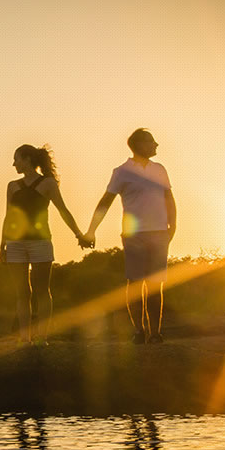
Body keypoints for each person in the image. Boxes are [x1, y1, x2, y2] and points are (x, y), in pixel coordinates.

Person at [81, 129, 177, 344]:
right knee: (134, 284)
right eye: (152, 141)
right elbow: (106, 201)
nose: (156, 145)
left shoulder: (160, 169)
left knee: (155, 285)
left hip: (160, 232)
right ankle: (138, 331)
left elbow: (169, 197)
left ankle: (155, 333)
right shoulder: (122, 171)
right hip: (134, 235)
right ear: (140, 145)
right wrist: (91, 230)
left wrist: (174, 225)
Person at [0, 144, 85, 344]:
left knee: (41, 290)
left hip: (40, 243)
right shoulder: (12, 186)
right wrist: (1, 245)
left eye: (17, 159)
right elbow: (8, 216)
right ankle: (24, 337)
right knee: (22, 292)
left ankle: (42, 336)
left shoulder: (47, 183)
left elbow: (63, 210)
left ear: (28, 159)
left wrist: (78, 234)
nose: (14, 164)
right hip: (15, 244)